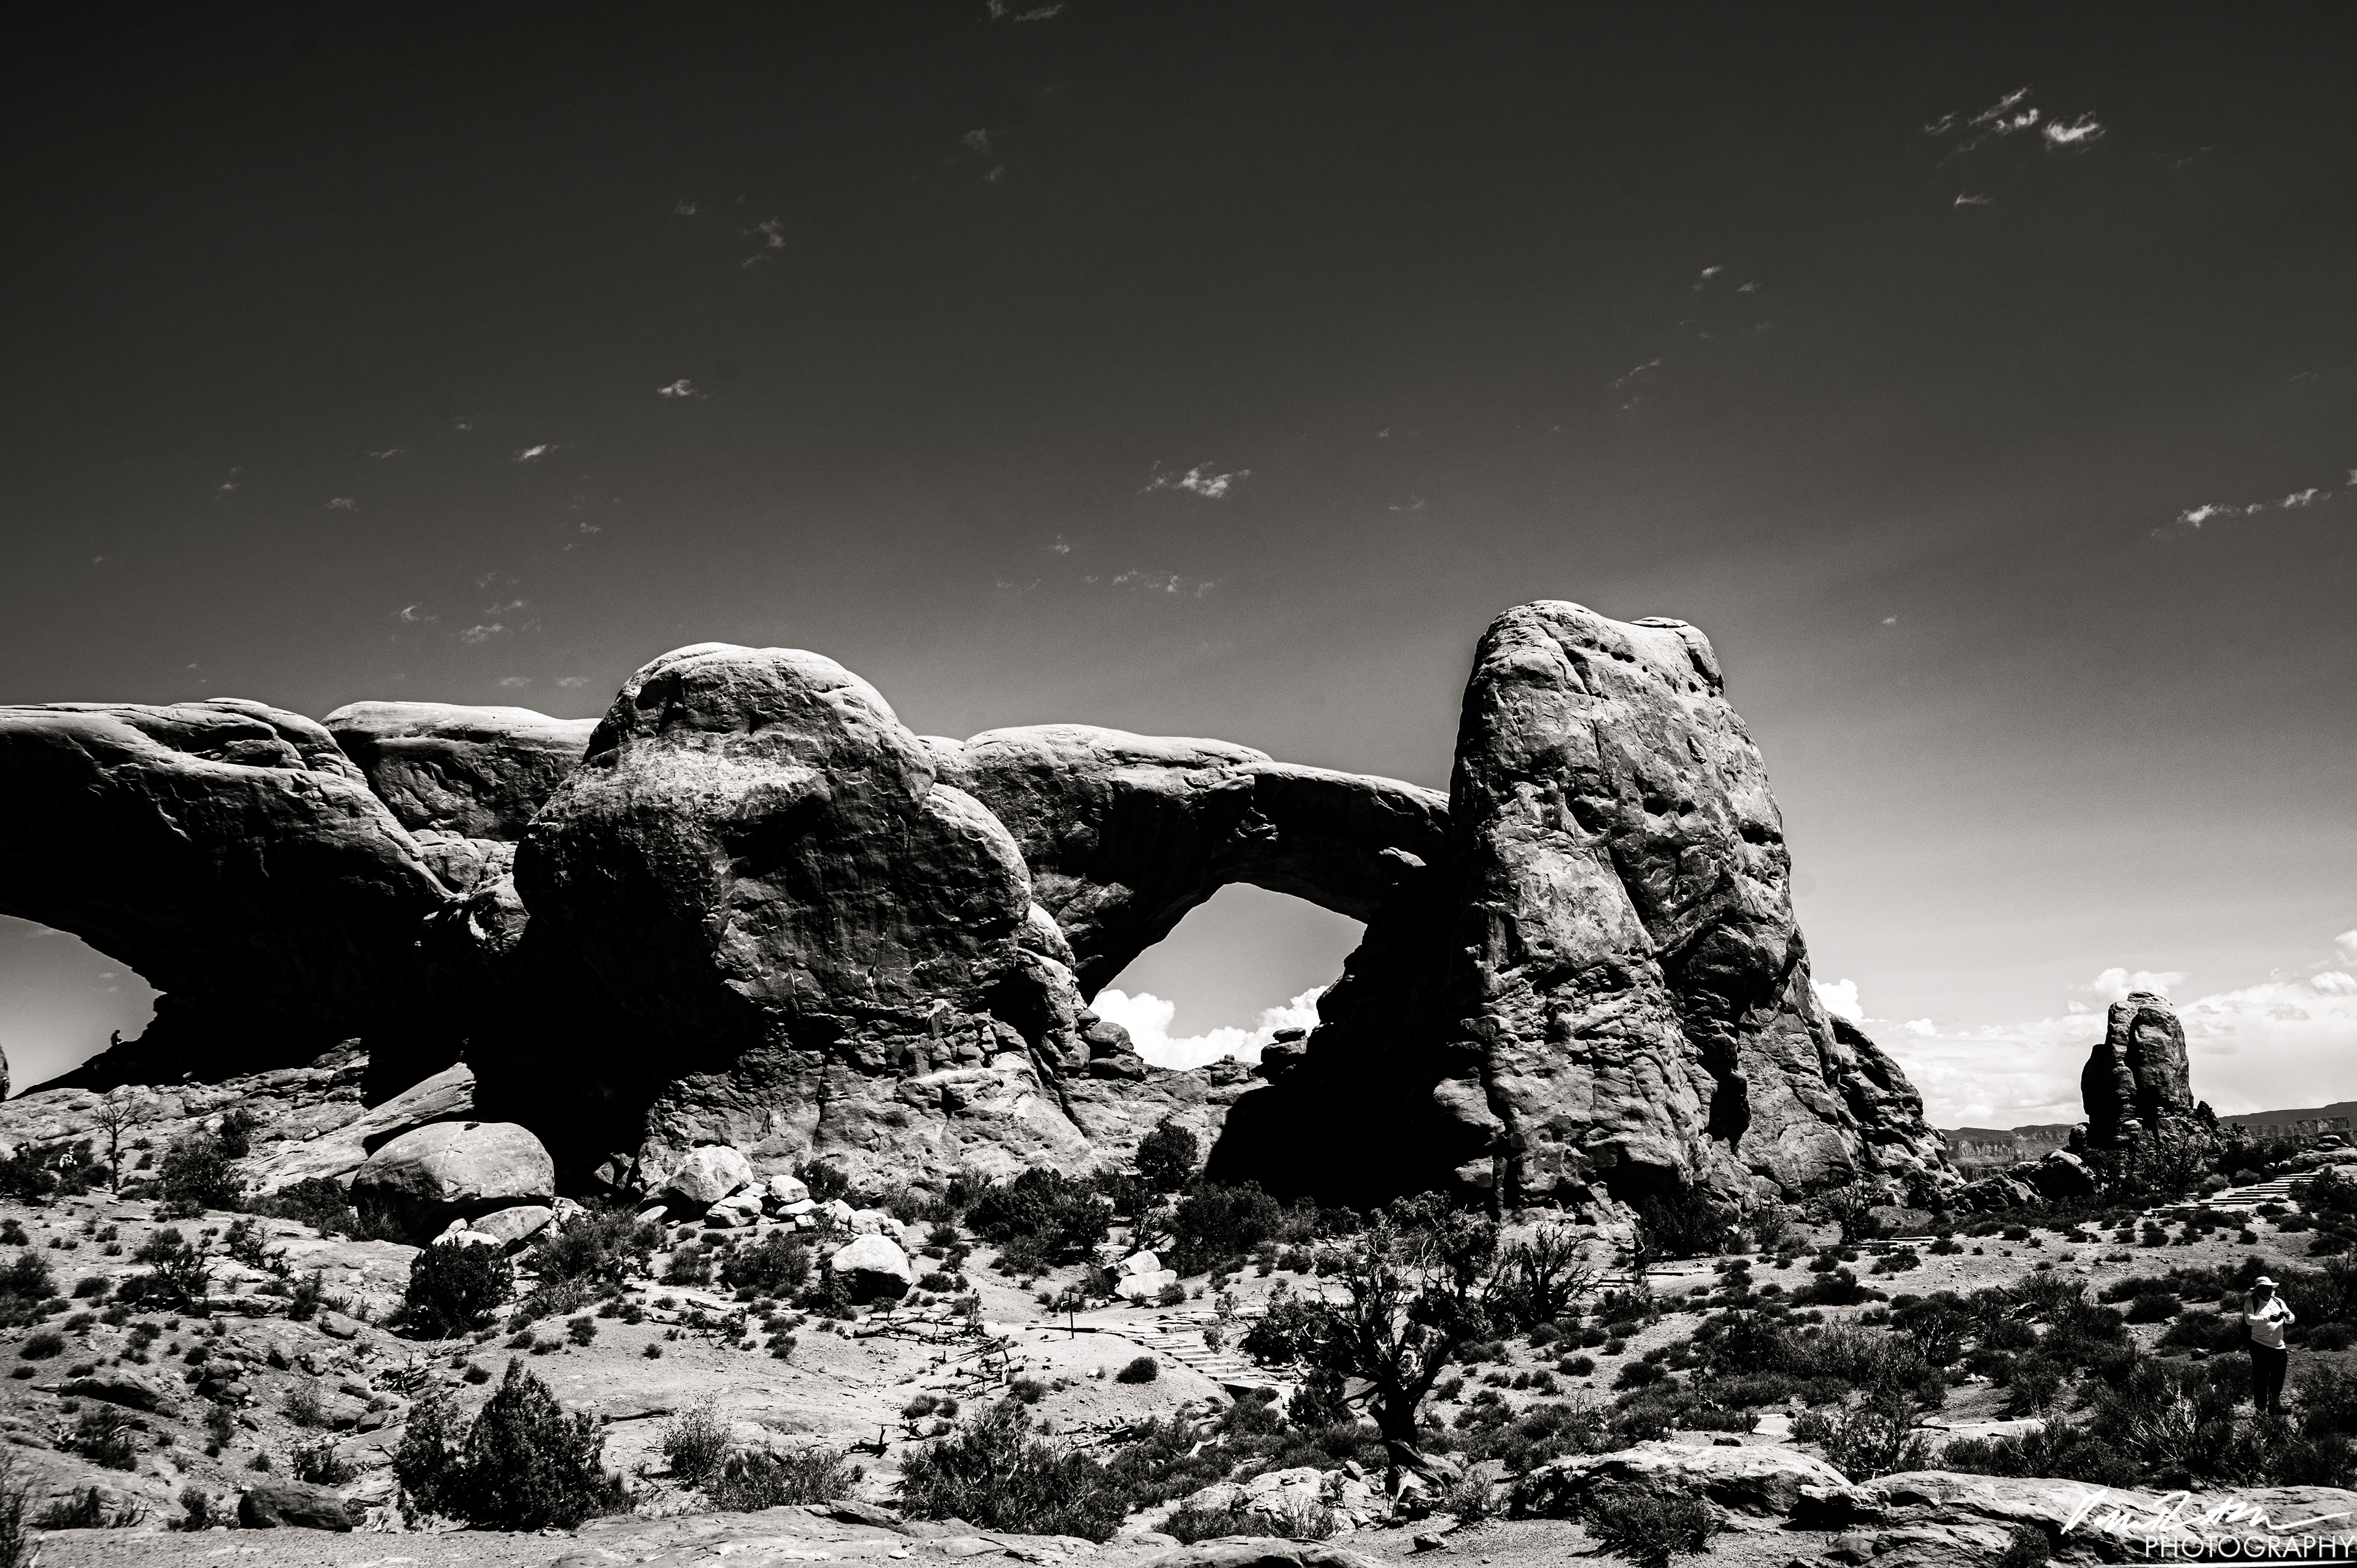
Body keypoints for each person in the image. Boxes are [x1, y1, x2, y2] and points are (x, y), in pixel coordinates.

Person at [2244, 1275, 2295, 1418]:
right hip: (2260, 1346)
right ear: (2258, 1289)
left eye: (2270, 1288)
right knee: (2261, 1379)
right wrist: (2270, 1318)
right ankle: (2260, 1410)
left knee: (2278, 1379)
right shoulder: (2252, 1301)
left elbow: (2291, 1320)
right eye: (2264, 1288)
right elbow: (2249, 1320)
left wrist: (2288, 1316)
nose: (2268, 1290)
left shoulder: (2278, 1302)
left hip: (2279, 1347)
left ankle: (2274, 1408)